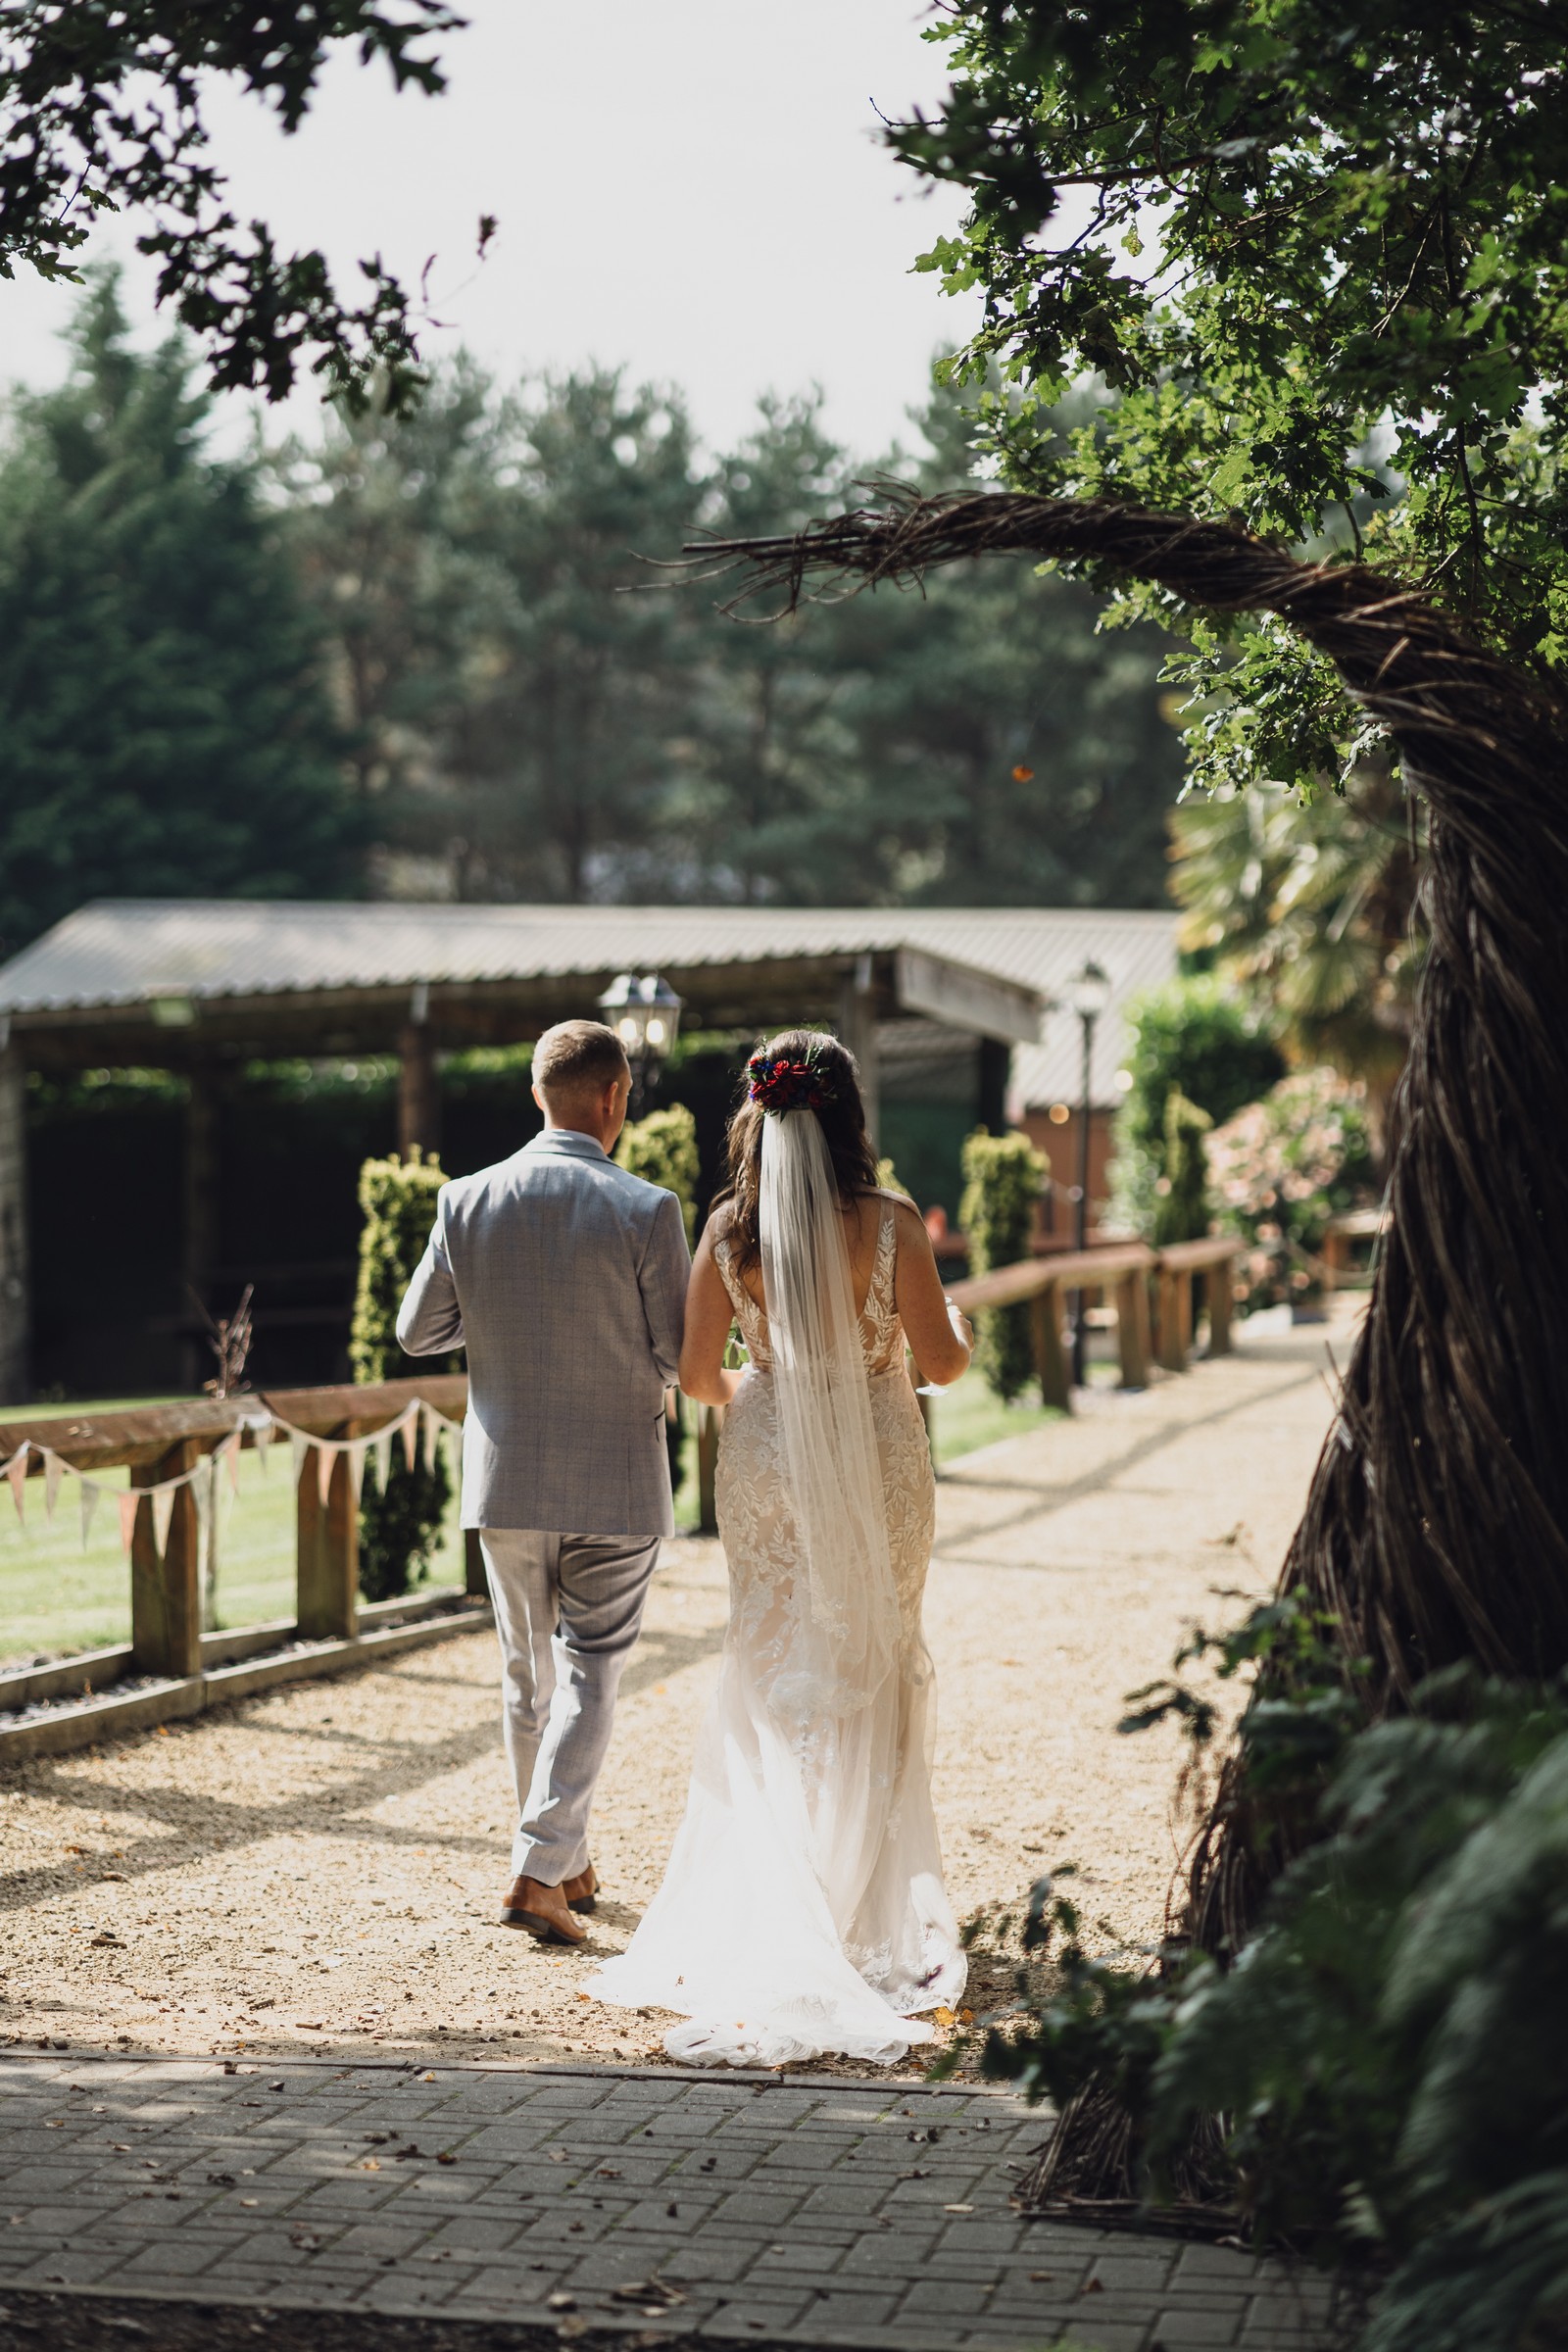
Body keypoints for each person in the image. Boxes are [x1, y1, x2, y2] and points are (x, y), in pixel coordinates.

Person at [591, 1029, 974, 2066]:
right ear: (851, 1116)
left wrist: (770, 1387)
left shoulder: (730, 1225)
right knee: (872, 1650)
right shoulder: (891, 1222)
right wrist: (944, 1334)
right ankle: (854, 1911)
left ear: (758, 1116)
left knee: (767, 1667)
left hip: (763, 1456)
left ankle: (769, 1898)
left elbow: (701, 1375)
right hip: (880, 1447)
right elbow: (942, 1362)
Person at [396, 1018, 690, 1947]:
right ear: (616, 1099)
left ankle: (564, 1860)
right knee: (591, 1670)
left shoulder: (465, 1200)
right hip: (616, 1478)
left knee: (530, 1682)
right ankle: (536, 1867)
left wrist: (498, 1322)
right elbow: (680, 1355)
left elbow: (416, 1331)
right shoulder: (648, 1209)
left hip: (507, 1477)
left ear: (537, 1094)